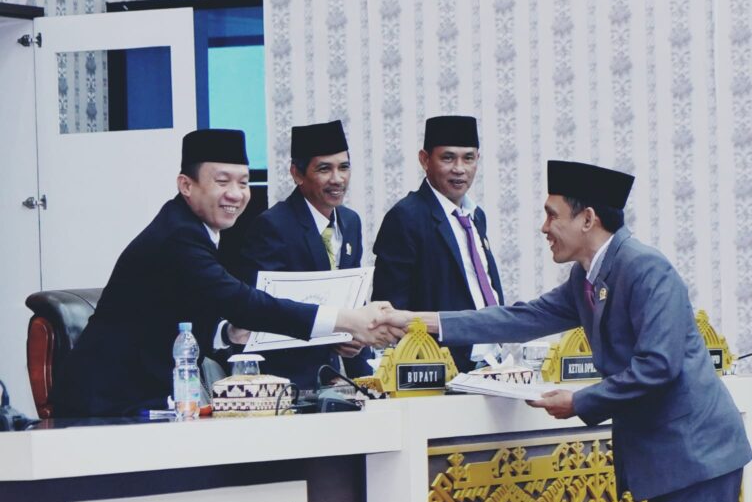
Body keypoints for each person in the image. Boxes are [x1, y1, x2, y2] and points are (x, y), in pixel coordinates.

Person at [379, 160, 752, 502]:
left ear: (587, 219)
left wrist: (578, 401)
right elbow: (520, 318)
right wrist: (416, 321)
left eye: (551, 215)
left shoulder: (645, 268)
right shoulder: (585, 278)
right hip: (672, 457)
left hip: (696, 453)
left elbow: (658, 365)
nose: (544, 228)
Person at [52, 129, 395, 417]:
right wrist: (347, 320)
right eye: (222, 181)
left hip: (145, 396)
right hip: (104, 403)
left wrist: (230, 333)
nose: (236, 194)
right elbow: (242, 302)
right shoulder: (179, 236)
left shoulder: (199, 229)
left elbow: (202, 310)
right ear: (186, 185)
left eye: (244, 182)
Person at [237, 120, 372, 388]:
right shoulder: (272, 226)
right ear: (297, 174)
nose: (337, 179)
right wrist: (331, 334)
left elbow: (353, 299)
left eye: (344, 167)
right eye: (324, 169)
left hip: (336, 377)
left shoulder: (350, 222)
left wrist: (360, 360)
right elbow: (263, 312)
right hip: (288, 381)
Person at [371, 115, 503, 373]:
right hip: (440, 368)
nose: (459, 169)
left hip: (491, 362)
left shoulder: (476, 215)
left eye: (468, 158)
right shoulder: (406, 217)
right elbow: (391, 309)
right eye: (448, 158)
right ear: (425, 160)